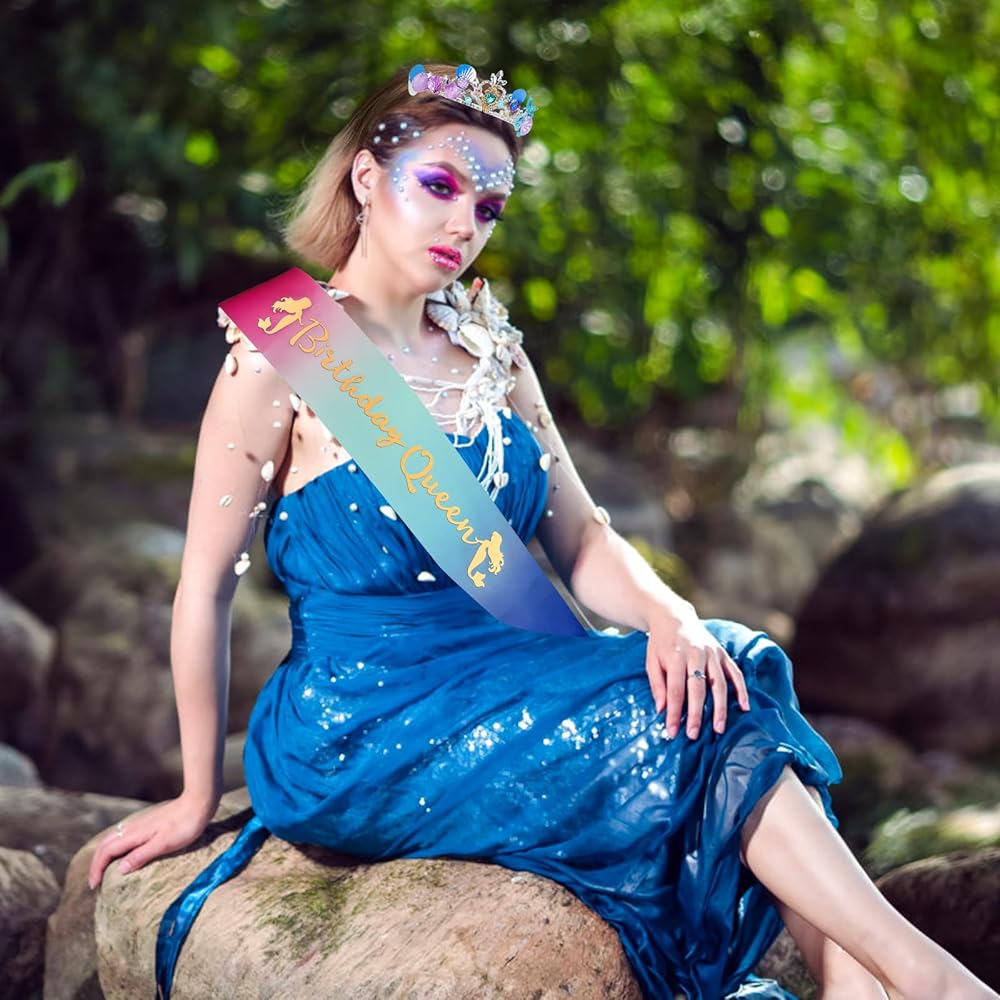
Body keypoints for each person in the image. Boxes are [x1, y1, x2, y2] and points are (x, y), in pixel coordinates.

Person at [87, 62, 997, 1000]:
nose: (463, 224)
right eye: (440, 186)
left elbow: (583, 541)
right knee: (695, 712)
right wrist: (196, 795)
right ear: (365, 178)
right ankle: (924, 978)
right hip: (357, 721)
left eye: (487, 206)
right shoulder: (280, 355)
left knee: (724, 666)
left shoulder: (494, 353)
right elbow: (205, 589)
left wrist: (673, 618)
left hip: (500, 666)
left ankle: (854, 983)